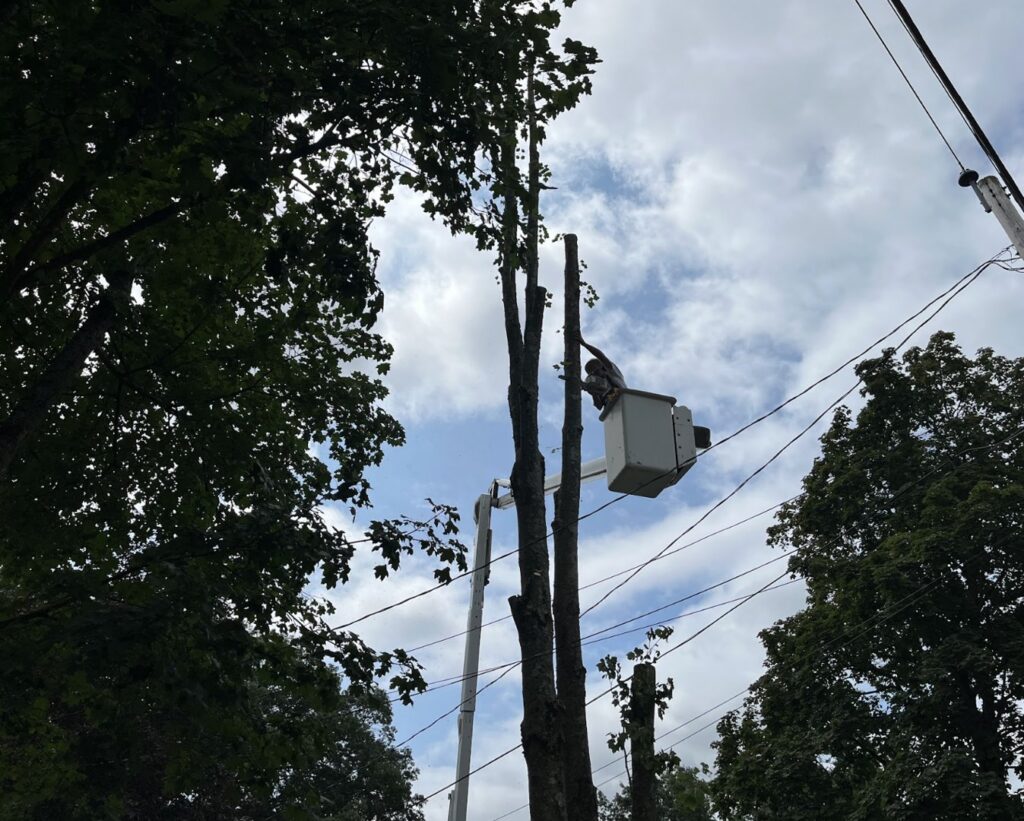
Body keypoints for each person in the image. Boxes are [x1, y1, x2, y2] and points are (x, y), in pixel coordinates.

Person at [580, 335, 626, 410]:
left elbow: (601, 357)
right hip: (612, 412)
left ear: (602, 367)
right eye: (591, 373)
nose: (594, 375)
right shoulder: (598, 385)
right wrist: (593, 393)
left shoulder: (613, 373)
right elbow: (599, 406)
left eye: (595, 371)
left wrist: (584, 344)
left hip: (625, 400)